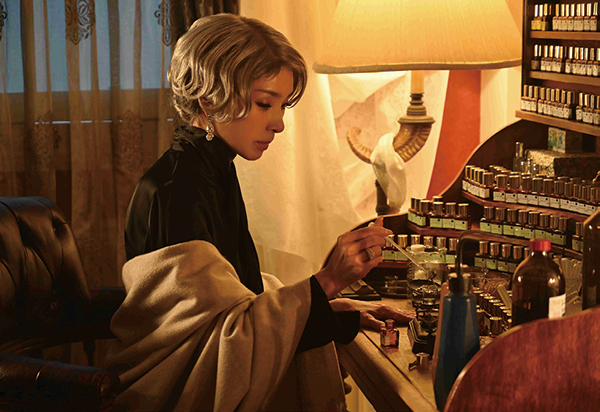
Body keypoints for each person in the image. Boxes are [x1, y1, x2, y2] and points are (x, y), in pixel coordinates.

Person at [108, 13, 414, 412]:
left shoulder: (211, 169)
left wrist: (330, 310)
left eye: (282, 106)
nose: (279, 124)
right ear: (209, 98)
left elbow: (232, 311)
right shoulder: (180, 193)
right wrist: (328, 281)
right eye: (264, 103)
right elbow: (209, 359)